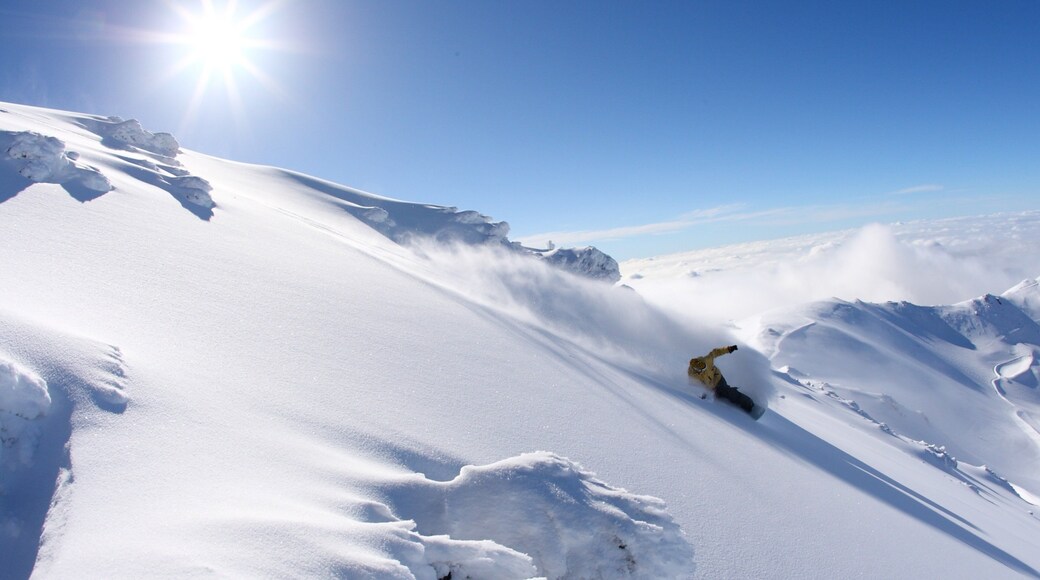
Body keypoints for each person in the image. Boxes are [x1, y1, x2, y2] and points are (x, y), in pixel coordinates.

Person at [688, 345, 756, 414]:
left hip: (718, 378)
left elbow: (716, 352)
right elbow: (698, 385)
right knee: (720, 398)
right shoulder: (692, 375)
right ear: (694, 369)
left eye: (704, 368)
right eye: (701, 369)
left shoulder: (707, 360)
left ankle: (749, 404)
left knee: (727, 392)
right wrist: (704, 393)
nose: (703, 370)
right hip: (711, 386)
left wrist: (728, 349)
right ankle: (735, 411)